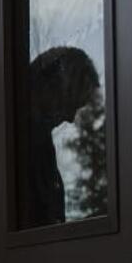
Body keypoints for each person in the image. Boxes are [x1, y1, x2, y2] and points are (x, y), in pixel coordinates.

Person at [24, 46, 102, 227]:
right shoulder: (18, 144)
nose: (70, 118)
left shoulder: (40, 144)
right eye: (70, 104)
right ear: (50, 89)